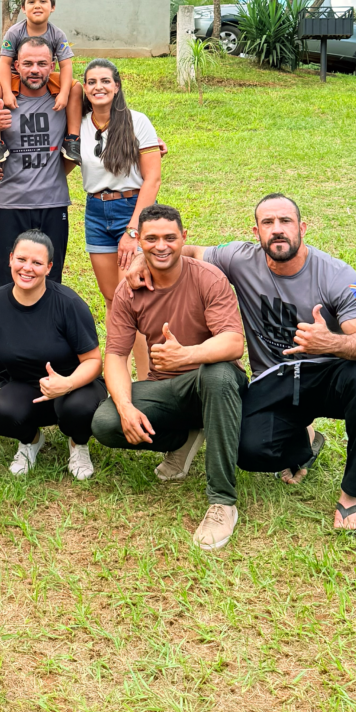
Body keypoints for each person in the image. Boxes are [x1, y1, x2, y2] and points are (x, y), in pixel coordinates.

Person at [126, 193, 356, 534]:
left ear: (303, 227)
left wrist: (331, 342)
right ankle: (305, 443)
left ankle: (354, 489)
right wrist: (141, 259)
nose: (277, 230)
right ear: (256, 231)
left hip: (332, 372)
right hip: (276, 377)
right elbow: (187, 250)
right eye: (268, 223)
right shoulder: (240, 258)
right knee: (246, 451)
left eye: (285, 221)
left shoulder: (334, 275)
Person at [91, 205, 247, 551]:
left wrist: (187, 355)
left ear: (183, 238)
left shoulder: (208, 277)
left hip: (215, 382)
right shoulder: (130, 290)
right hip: (167, 385)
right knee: (105, 421)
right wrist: (126, 406)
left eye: (169, 237)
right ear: (139, 243)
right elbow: (116, 355)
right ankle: (184, 437)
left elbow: (234, 343)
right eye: (152, 238)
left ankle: (222, 502)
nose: (161, 246)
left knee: (219, 375)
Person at [0, 230, 105, 480]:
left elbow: (93, 361)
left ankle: (78, 444)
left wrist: (66, 383)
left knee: (78, 410)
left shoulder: (68, 304)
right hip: (26, 386)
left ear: (48, 268)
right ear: (11, 259)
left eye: (37, 263)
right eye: (22, 259)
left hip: (75, 385)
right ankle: (31, 440)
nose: (28, 268)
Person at [68, 58, 162, 377]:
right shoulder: (78, 125)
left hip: (132, 210)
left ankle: (147, 379)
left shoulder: (137, 122)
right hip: (96, 213)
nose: (99, 87)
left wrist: (133, 230)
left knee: (132, 299)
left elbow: (152, 179)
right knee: (112, 301)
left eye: (105, 81)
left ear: (117, 86)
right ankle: (119, 377)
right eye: (91, 82)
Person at [0, 37, 71, 287]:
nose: (34, 69)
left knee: (51, 281)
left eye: (42, 63)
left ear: (52, 65)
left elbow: (104, 116)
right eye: (28, 63)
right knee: (7, 281)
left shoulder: (64, 99)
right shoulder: (0, 100)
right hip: (10, 204)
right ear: (16, 65)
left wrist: (148, 141)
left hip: (53, 204)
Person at [0, 0, 82, 166]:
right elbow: (4, 63)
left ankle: (72, 140)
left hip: (46, 74)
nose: (37, 6)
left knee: (76, 88)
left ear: (52, 7)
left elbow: (66, 66)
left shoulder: (58, 34)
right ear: (23, 7)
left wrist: (64, 93)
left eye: (43, 1)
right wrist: (6, 90)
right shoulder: (14, 33)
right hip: (16, 76)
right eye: (31, 1)